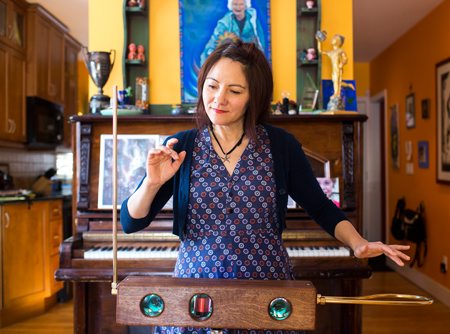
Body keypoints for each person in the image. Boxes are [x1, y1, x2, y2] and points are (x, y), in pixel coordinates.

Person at [120, 40, 410, 334]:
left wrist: (358, 243)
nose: (218, 99)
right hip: (195, 294)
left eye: (234, 91)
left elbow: (320, 206)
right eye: (212, 86)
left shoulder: (280, 145)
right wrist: (153, 184)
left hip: (266, 292)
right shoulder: (182, 146)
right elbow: (131, 222)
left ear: (253, 98)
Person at [200, 0, 266, 65]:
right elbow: (214, 41)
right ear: (231, 5)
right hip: (231, 62)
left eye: (241, 4)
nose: (238, 7)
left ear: (245, 6)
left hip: (249, 61)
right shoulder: (224, 23)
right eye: (235, 4)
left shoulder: (253, 22)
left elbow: (260, 42)